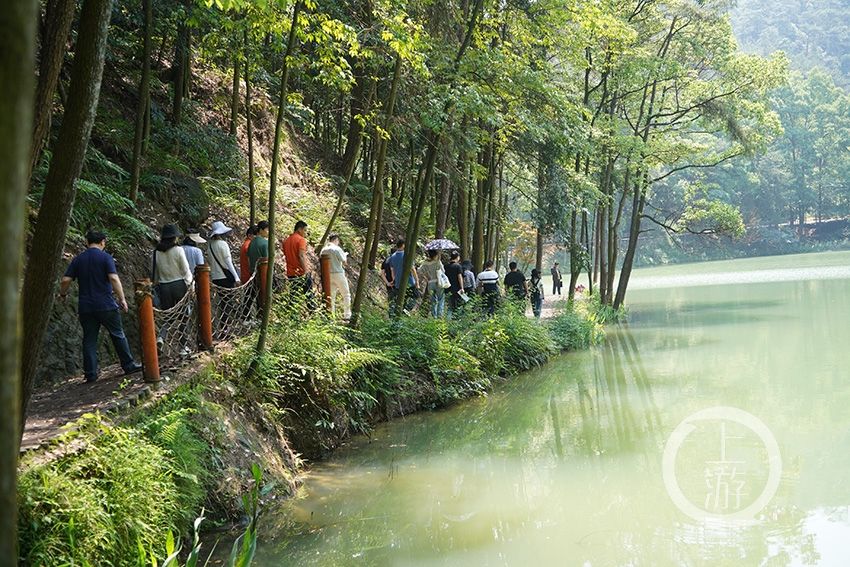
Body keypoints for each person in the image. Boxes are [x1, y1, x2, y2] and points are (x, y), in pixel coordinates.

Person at [58, 231, 142, 383]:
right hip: (106, 304)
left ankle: (90, 374)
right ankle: (128, 365)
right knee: (117, 334)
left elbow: (65, 280)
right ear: (103, 242)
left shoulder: (78, 260)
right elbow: (113, 278)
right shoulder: (105, 257)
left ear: (87, 242)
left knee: (89, 339)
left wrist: (63, 294)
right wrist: (122, 298)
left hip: (86, 307)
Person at [152, 224, 193, 309]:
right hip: (179, 285)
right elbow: (185, 269)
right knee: (183, 312)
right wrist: (190, 283)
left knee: (169, 313)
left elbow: (155, 272)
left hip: (164, 287)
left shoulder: (156, 252)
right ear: (174, 237)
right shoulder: (178, 250)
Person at [282, 220, 315, 308]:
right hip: (301, 272)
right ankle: (314, 314)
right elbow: (301, 256)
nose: (305, 233)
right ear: (299, 229)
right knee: (309, 296)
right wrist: (306, 271)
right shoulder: (301, 240)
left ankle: (292, 316)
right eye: (305, 230)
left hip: (291, 272)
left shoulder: (286, 241)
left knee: (293, 297)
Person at [320, 234, 351, 320]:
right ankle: (347, 315)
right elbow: (344, 262)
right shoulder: (337, 249)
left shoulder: (323, 250)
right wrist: (345, 255)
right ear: (336, 240)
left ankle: (331, 316)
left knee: (331, 296)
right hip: (338, 273)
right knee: (346, 294)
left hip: (328, 275)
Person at [387, 239, 419, 314]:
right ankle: (406, 310)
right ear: (403, 245)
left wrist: (394, 280)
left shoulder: (392, 256)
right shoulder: (407, 255)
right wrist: (417, 281)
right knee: (416, 296)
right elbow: (413, 269)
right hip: (409, 282)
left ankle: (401, 314)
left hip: (398, 283)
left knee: (402, 300)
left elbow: (392, 271)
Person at [208, 220, 240, 288]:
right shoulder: (223, 244)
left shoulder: (210, 245)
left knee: (222, 297)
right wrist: (236, 277)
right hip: (225, 276)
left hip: (215, 277)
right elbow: (228, 262)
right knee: (229, 298)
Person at [419, 249, 446, 318]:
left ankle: (434, 316)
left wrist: (425, 277)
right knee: (440, 299)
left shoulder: (425, 263)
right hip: (438, 282)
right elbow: (443, 271)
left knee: (433, 301)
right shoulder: (438, 262)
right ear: (436, 255)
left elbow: (419, 271)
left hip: (430, 283)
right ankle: (440, 315)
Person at [444, 250, 464, 318]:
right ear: (457, 257)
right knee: (457, 304)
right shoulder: (458, 266)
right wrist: (462, 288)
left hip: (447, 288)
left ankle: (448, 319)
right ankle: (456, 318)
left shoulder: (446, 266)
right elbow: (460, 277)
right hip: (456, 288)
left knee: (449, 304)